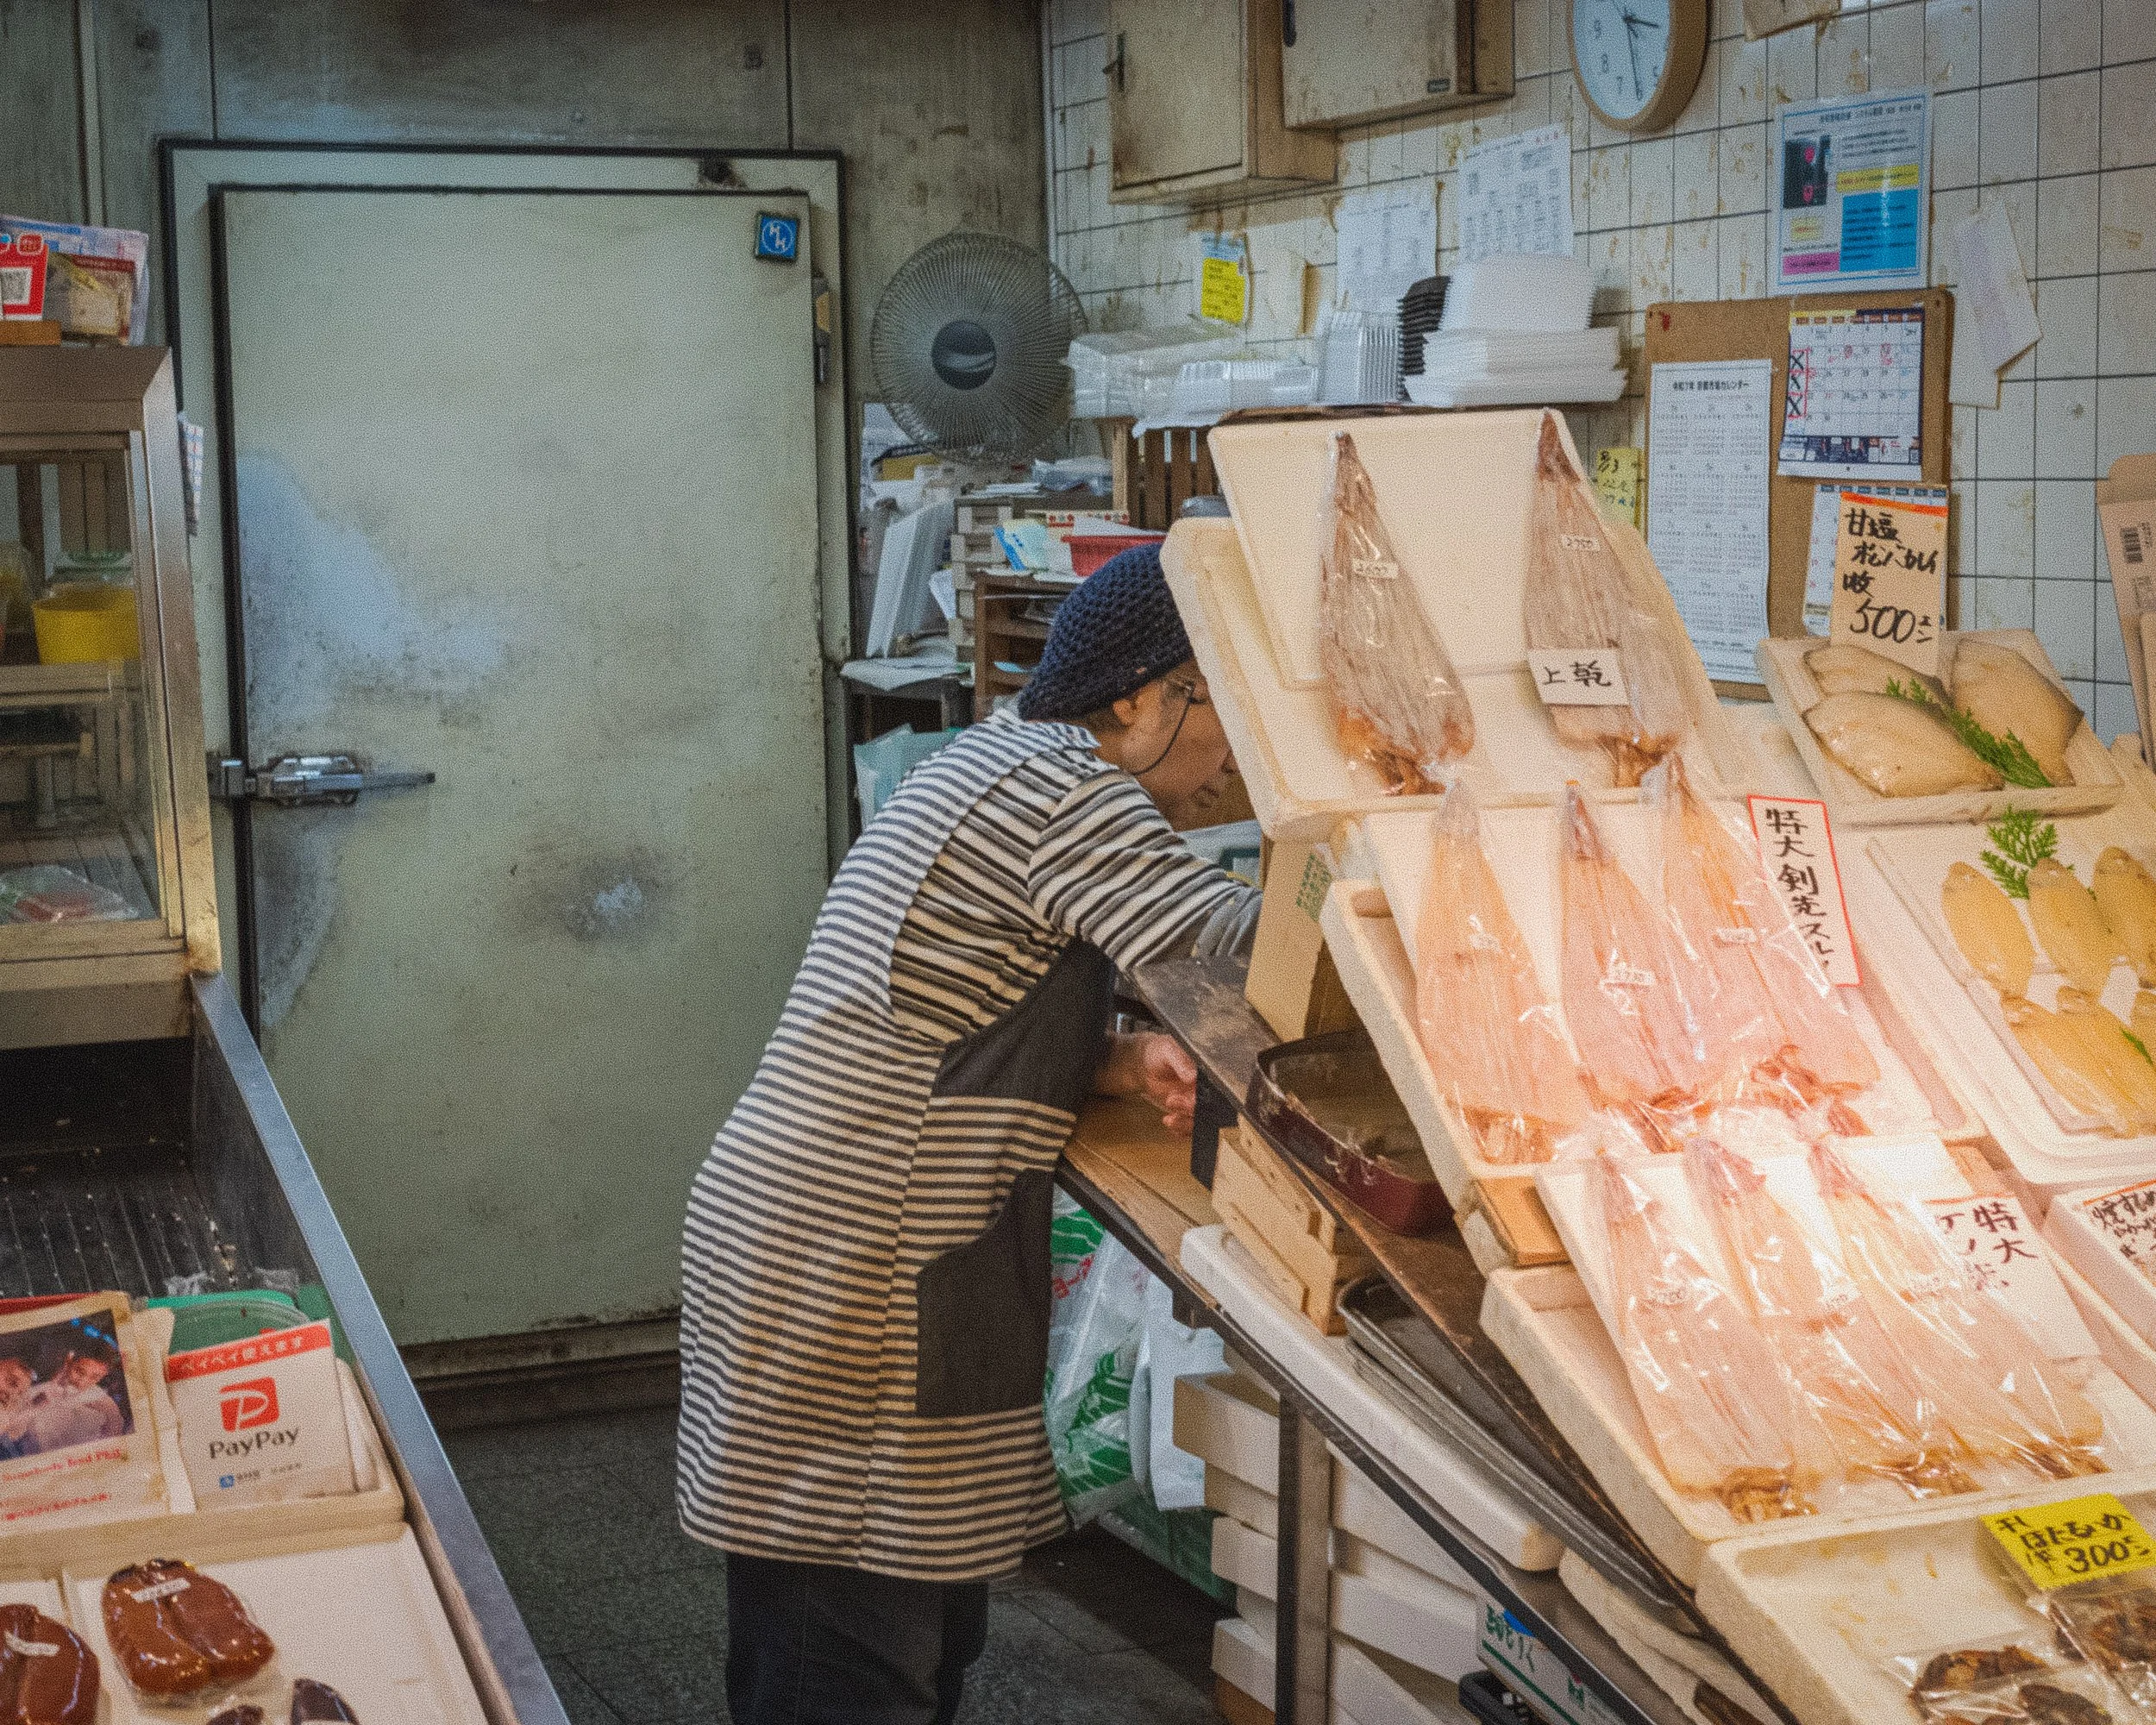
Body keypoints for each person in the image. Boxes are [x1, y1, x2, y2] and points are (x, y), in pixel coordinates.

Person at [679, 543, 1260, 1725]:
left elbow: (959, 1012)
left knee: (906, 1623)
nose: (1233, 754)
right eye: (1222, 703)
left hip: (843, 1223)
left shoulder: (1007, 762)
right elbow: (1243, 950)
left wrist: (1113, 1057)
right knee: (844, 1649)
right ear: (1138, 695)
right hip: (854, 1255)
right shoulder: (1063, 789)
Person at [17, 1341, 125, 1453]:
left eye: (95, 1377)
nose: (82, 1382)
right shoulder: (43, 1387)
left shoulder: (103, 1403)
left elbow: (114, 1439)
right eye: (79, 1371)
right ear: (69, 1360)